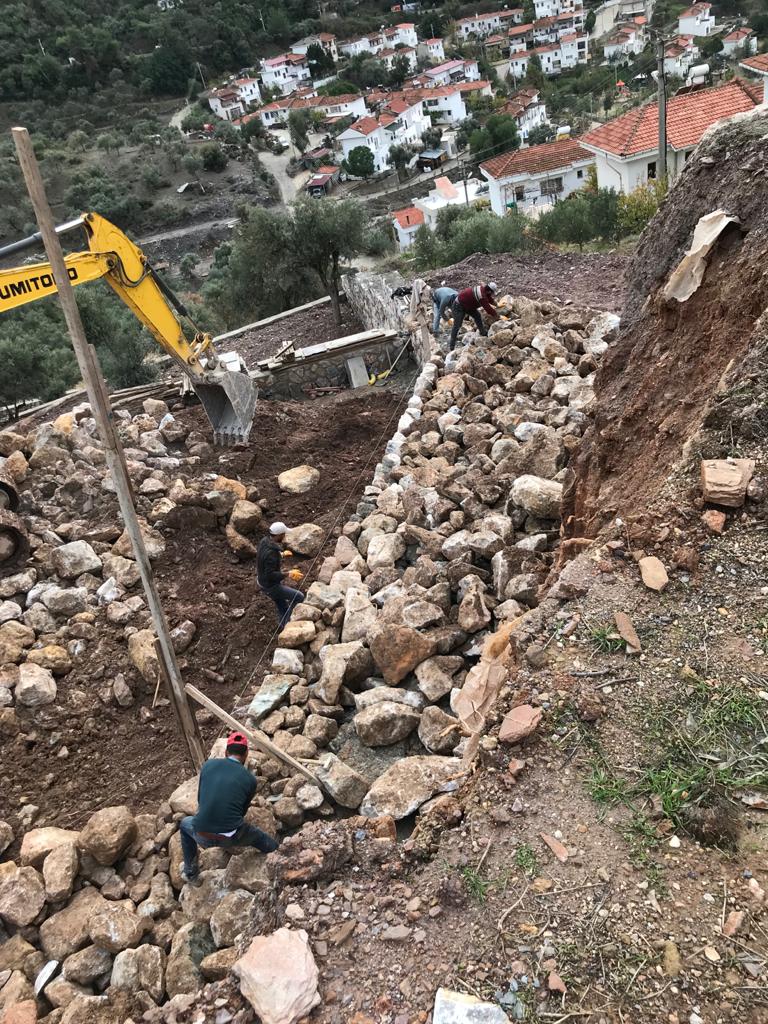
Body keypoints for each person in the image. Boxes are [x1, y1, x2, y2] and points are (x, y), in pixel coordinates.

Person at [179, 731, 278, 885]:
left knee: (185, 824)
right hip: (231, 836)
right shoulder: (250, 780)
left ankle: (191, 873)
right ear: (246, 754)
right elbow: (242, 812)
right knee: (260, 838)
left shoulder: (208, 765)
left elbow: (200, 800)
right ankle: (280, 858)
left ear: (226, 752)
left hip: (201, 834)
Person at [257, 521, 304, 629]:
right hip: (270, 586)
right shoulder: (271, 554)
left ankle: (282, 625)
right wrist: (288, 574)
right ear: (278, 535)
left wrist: (280, 554)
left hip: (262, 581)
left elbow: (264, 557)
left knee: (282, 605)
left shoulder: (264, 541)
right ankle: (287, 625)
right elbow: (270, 575)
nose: (284, 536)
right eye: (283, 534)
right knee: (299, 597)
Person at [448, 282, 500, 351]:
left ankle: (483, 332)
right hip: (458, 305)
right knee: (457, 325)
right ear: (490, 291)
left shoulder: (484, 290)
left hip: (468, 305)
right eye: (492, 292)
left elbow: (489, 298)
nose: (492, 294)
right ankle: (451, 347)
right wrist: (497, 316)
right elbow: (488, 309)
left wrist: (497, 304)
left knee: (477, 316)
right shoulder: (481, 295)